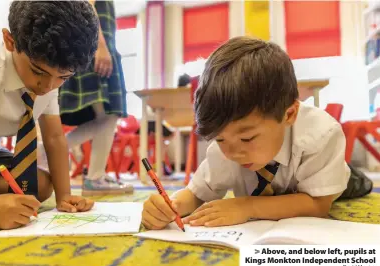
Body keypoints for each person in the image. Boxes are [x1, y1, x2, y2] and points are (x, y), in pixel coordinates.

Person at [141, 36, 373, 230]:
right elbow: (197, 193)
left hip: (336, 177)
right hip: (283, 183)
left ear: (289, 114)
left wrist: (247, 206)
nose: (233, 152)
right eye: (220, 139)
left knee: (354, 185)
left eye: (247, 138)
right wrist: (171, 205)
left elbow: (318, 204)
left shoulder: (321, 134)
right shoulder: (225, 147)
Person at [0, 1, 98, 229]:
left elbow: (54, 138)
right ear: (10, 41)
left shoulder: (50, 73)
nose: (47, 86)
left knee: (39, 186)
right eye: (37, 71)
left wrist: (64, 197)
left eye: (63, 77)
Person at [58, 0, 133, 195]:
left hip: (95, 48)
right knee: (108, 116)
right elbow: (87, 7)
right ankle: (93, 176)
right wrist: (100, 47)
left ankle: (95, 177)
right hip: (96, 49)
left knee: (106, 117)